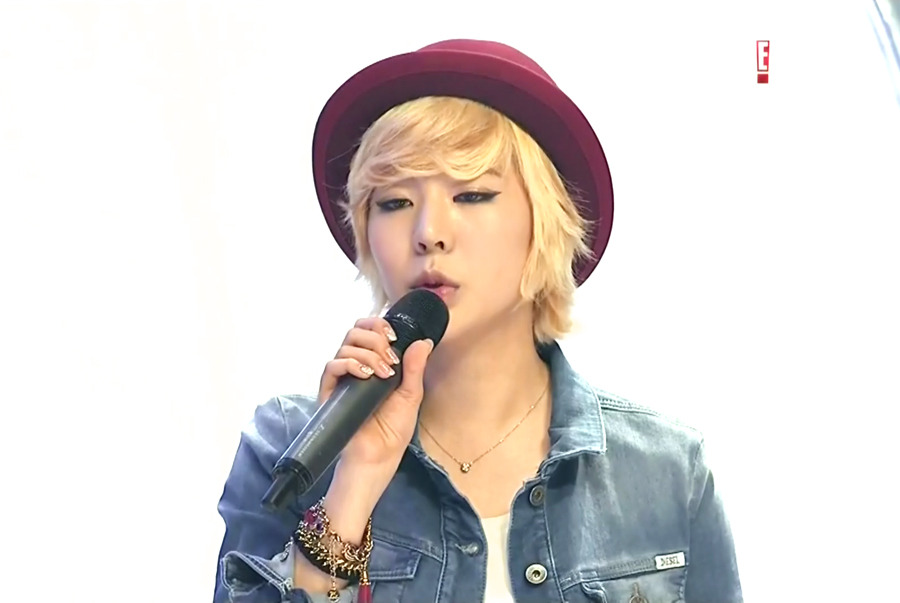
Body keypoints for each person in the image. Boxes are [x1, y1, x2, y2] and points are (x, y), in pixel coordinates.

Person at [213, 39, 742, 603]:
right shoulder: (288, 451)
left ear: (544, 222)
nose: (428, 233)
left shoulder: (666, 470)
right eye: (394, 203)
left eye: (471, 195)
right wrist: (351, 489)